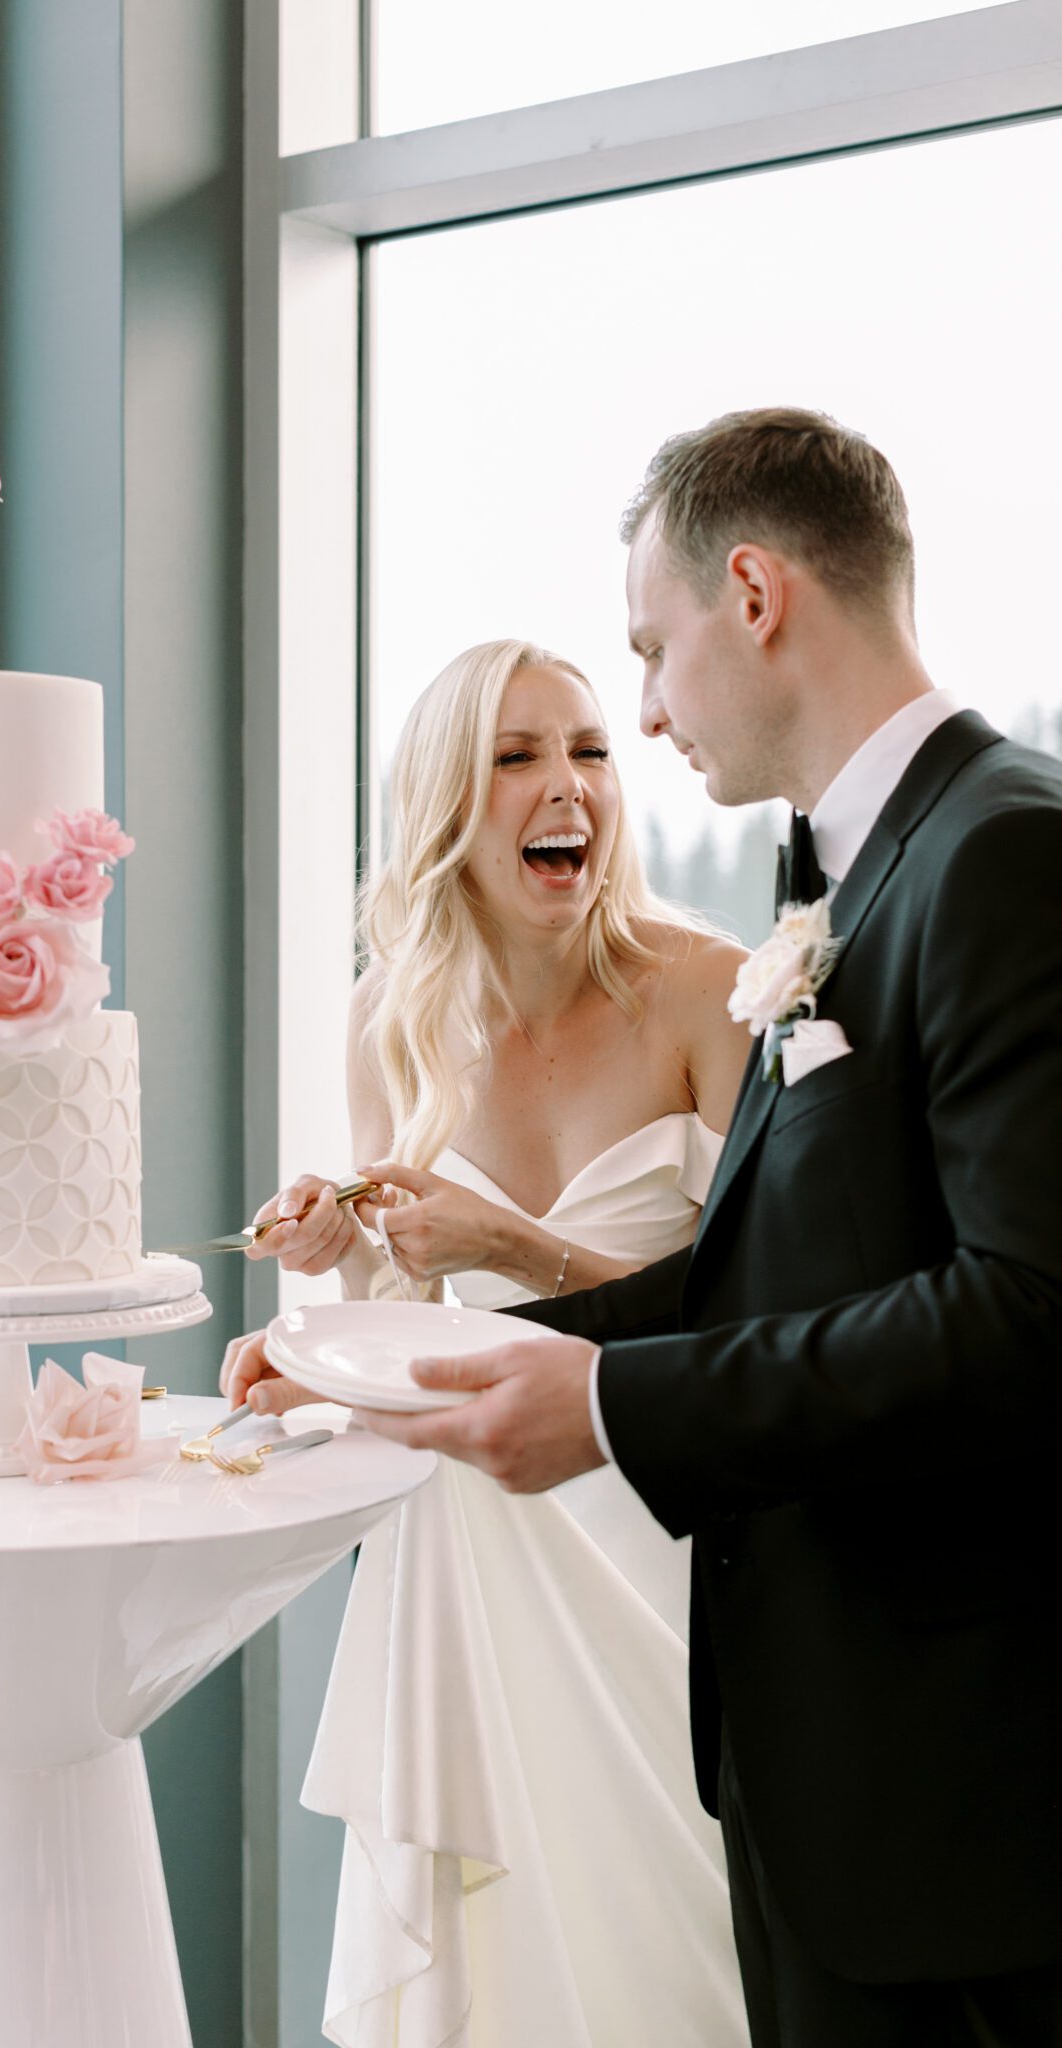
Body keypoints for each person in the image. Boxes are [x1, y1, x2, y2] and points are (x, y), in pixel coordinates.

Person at [341, 410, 1062, 2047]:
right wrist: (413, 1365)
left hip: (956, 1799)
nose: (646, 713)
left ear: (752, 593)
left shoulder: (1003, 851)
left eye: (648, 655)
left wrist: (606, 1410)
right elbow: (794, 1272)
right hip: (826, 1779)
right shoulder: (851, 877)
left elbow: (1026, 1311)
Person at [223, 637, 753, 2044]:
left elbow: (772, 1322)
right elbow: (415, 1336)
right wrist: (329, 1295)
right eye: (515, 757)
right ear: (448, 806)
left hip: (679, 1544)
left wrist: (512, 1248)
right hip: (481, 1558)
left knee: (687, 1954)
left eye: (585, 748)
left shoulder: (710, 993)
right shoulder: (388, 1025)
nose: (564, 785)